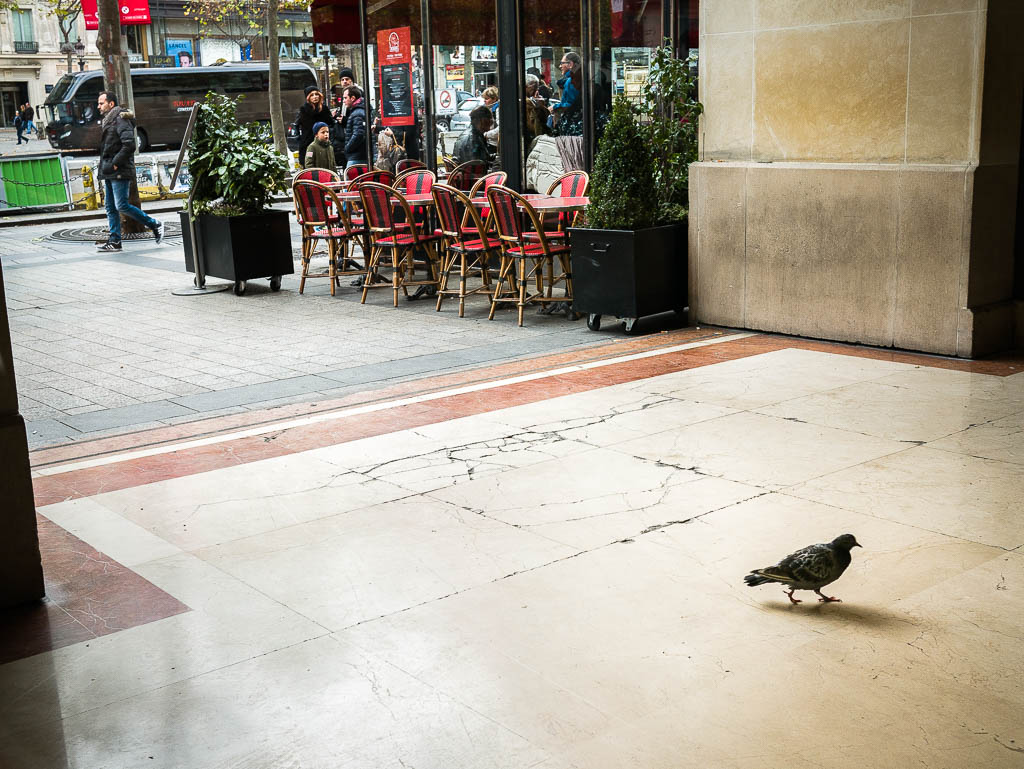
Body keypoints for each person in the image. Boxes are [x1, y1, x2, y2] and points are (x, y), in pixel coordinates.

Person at [95, 91, 164, 252]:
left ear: (111, 104)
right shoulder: (109, 120)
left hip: (119, 170)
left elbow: (129, 145)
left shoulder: (121, 119)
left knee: (122, 205)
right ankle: (115, 241)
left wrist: (115, 164)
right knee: (110, 207)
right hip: (109, 169)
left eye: (101, 103)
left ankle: (154, 224)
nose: (98, 106)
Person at [294, 86, 334, 168]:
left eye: (316, 94)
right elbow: (297, 125)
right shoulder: (303, 110)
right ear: (308, 97)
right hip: (307, 143)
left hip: (323, 144)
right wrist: (299, 138)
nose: (315, 97)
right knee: (309, 166)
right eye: (312, 95)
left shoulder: (324, 109)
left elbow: (331, 124)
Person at [549, 51, 583, 136]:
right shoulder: (580, 77)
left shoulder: (571, 81)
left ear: (570, 64)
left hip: (574, 124)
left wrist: (554, 107)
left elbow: (570, 105)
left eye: (562, 63)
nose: (560, 66)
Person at [342, 85, 368, 168]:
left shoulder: (357, 113)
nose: (343, 101)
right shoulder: (360, 110)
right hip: (360, 155)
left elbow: (358, 134)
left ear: (352, 98)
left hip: (356, 156)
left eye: (345, 98)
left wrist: (347, 148)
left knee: (351, 180)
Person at [523, 75, 549, 150]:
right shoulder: (527, 102)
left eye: (537, 87)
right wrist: (540, 107)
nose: (536, 90)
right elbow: (534, 124)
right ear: (527, 86)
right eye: (535, 87)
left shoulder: (530, 100)